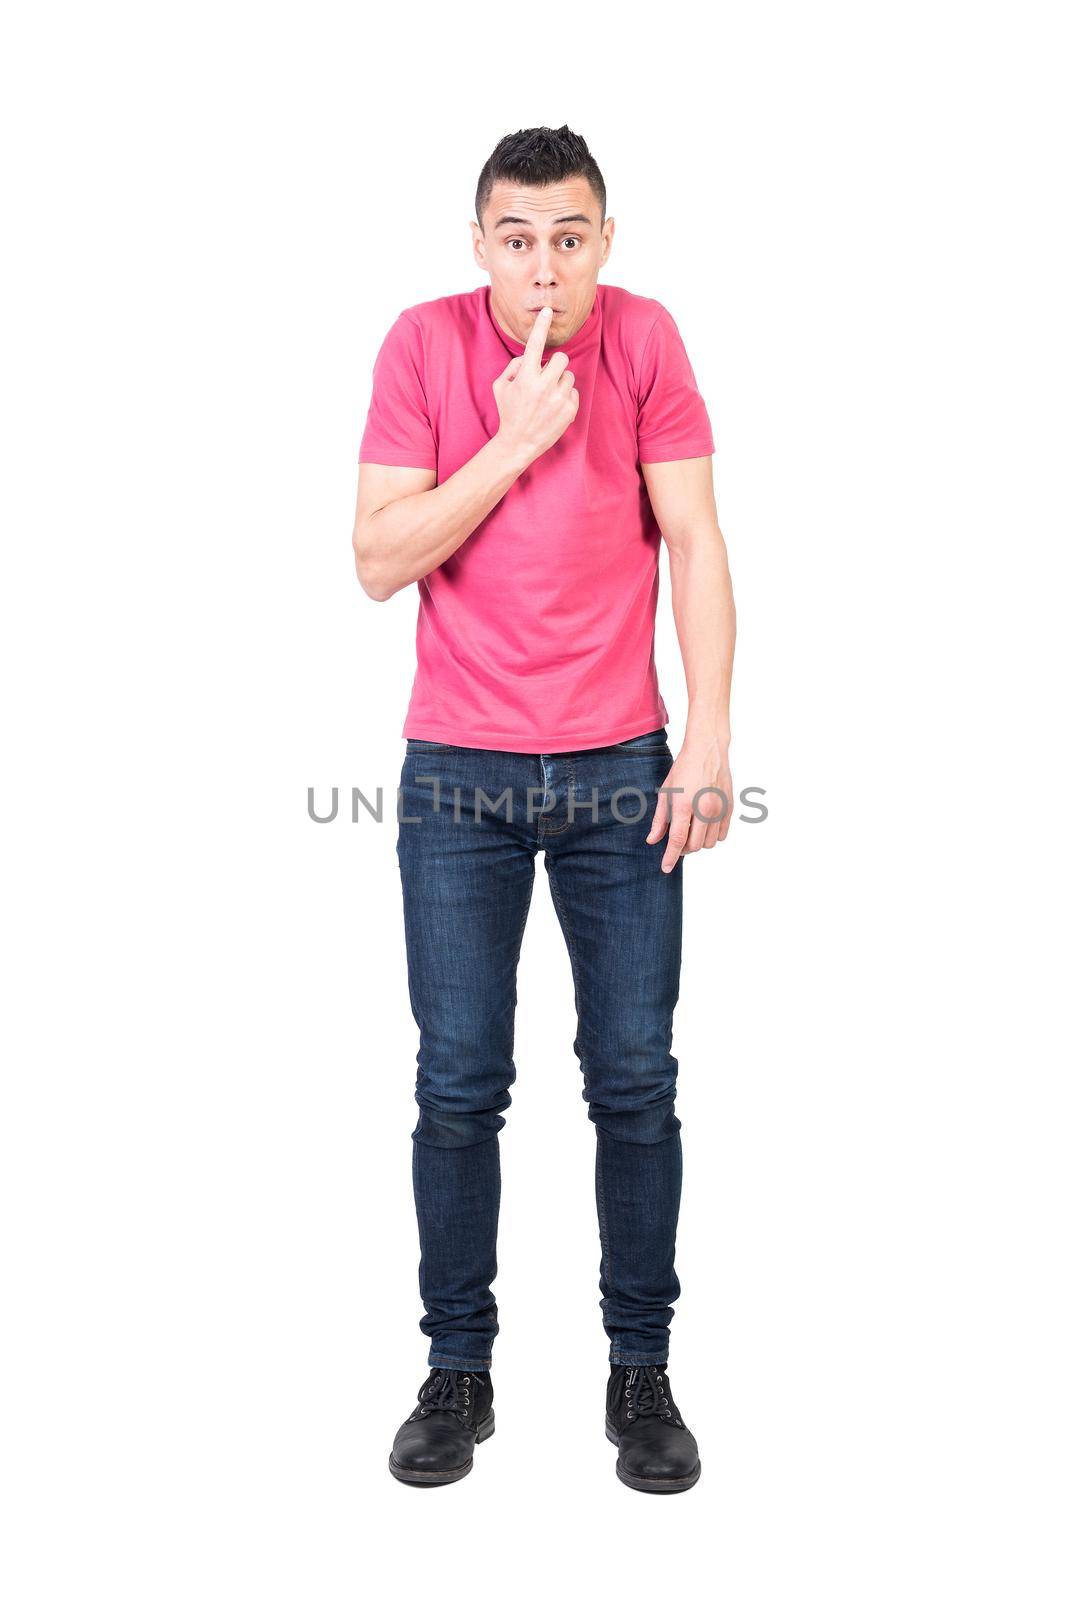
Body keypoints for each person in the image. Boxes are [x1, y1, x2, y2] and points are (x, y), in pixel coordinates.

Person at [352, 125, 736, 1493]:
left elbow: (693, 540)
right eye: (517, 238)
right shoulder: (421, 347)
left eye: (569, 237)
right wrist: (512, 444)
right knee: (458, 1083)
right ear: (480, 245)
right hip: (456, 773)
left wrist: (709, 740)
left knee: (635, 1080)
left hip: (622, 767)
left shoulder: (643, 341)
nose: (543, 266)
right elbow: (377, 559)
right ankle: (459, 1372)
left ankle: (644, 1374)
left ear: (604, 244)